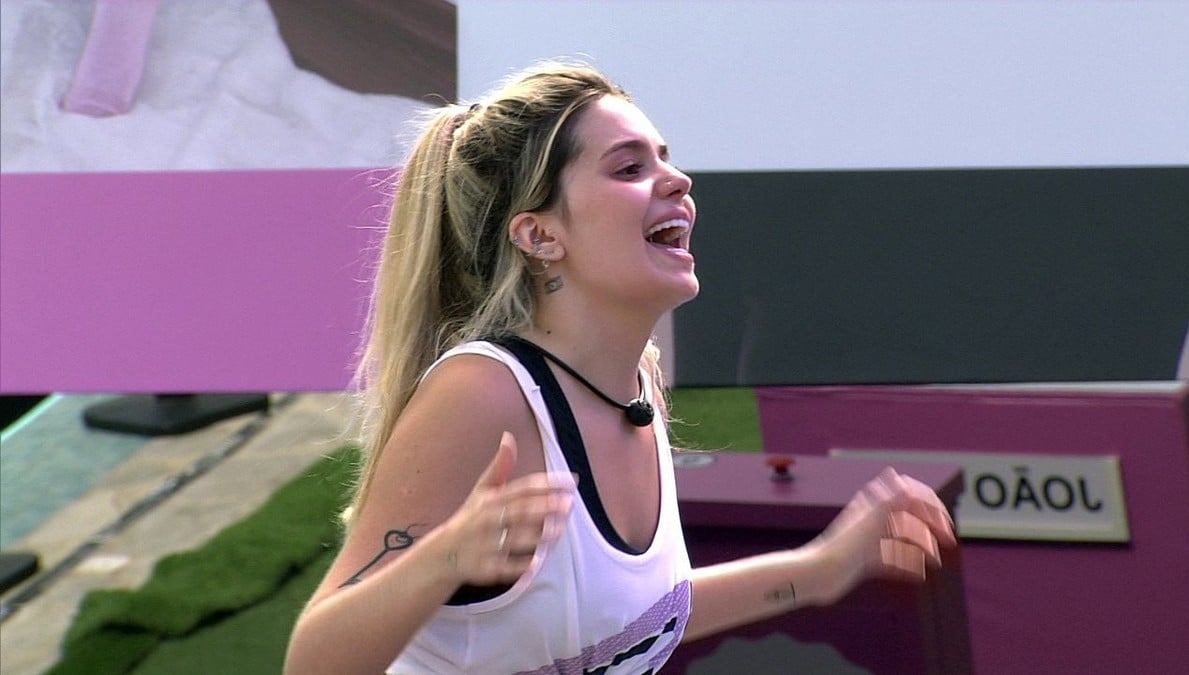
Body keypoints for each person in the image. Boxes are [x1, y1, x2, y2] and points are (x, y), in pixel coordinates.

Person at [285, 61, 957, 675]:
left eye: (666, 158)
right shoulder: (484, 394)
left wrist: (820, 570)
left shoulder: (634, 384)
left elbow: (636, 621)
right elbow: (314, 662)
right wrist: (445, 559)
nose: (678, 180)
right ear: (540, 235)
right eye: (630, 168)